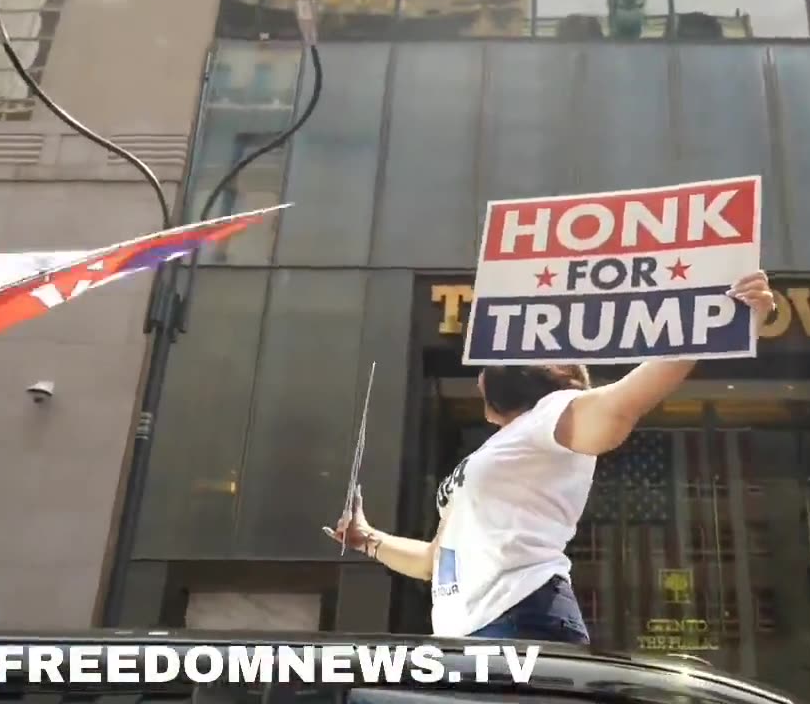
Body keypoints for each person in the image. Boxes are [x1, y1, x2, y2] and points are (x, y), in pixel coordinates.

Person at [325, 271, 775, 643]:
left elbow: (622, 403)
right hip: (467, 637)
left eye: (490, 363)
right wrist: (369, 540)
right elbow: (431, 561)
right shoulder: (499, 450)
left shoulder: (551, 414)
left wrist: (726, 324)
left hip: (520, 622)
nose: (479, 372)